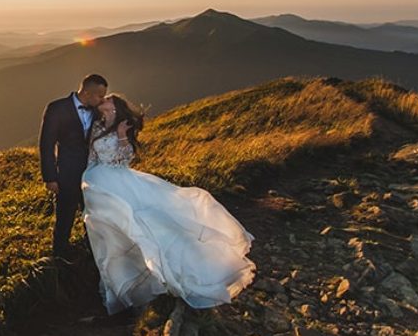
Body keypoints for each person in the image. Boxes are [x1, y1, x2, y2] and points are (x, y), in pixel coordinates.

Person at [81, 93, 256, 314]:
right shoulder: (97, 126)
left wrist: (122, 135)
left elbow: (125, 160)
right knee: (109, 232)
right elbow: (92, 156)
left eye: (107, 99)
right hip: (95, 178)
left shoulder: (122, 125)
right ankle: (125, 282)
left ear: (115, 106)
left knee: (139, 224)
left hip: (118, 179)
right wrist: (86, 176)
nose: (102, 101)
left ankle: (158, 277)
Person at [39, 74, 109, 258]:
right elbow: (46, 144)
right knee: (64, 218)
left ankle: (93, 253)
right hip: (67, 174)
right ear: (86, 92)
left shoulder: (98, 110)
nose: (103, 100)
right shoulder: (57, 108)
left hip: (94, 174)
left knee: (93, 215)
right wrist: (50, 177)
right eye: (100, 96)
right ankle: (59, 257)